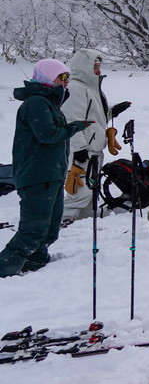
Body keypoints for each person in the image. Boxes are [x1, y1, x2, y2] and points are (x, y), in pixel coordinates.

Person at [0, 60, 92, 277]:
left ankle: (35, 262)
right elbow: (47, 135)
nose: (66, 82)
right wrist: (74, 127)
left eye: (67, 77)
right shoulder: (36, 103)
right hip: (37, 175)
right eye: (62, 77)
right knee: (33, 229)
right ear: (48, 77)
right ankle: (4, 268)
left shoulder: (49, 103)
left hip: (52, 174)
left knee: (50, 229)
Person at [62, 49, 131, 221]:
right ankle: (63, 220)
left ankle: (83, 223)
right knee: (79, 191)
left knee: (90, 189)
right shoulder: (75, 89)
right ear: (84, 67)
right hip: (83, 150)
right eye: (95, 67)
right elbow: (71, 120)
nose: (99, 71)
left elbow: (93, 117)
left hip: (93, 149)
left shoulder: (91, 88)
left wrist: (111, 112)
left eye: (99, 66)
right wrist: (78, 148)